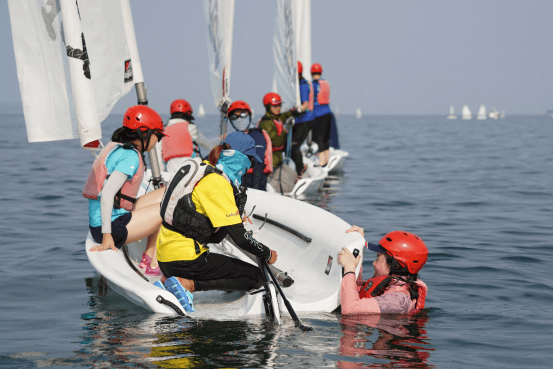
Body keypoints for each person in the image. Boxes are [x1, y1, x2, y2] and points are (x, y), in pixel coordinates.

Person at [154, 132, 279, 312]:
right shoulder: (218, 183)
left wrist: (233, 214)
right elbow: (241, 239)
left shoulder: (205, 171)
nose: (249, 168)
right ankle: (188, 284)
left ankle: (172, 278)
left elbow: (215, 237)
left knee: (228, 271)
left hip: (166, 258)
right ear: (242, 159)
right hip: (187, 259)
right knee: (256, 277)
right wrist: (266, 253)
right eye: (250, 162)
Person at [83, 105, 166, 275]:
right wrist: (107, 237)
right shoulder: (130, 156)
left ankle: (148, 258)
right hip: (110, 228)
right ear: (144, 133)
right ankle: (153, 264)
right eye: (157, 135)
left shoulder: (119, 148)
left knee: (168, 194)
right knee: (168, 209)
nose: (158, 140)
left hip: (112, 219)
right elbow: (107, 194)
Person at [338, 226, 428, 315]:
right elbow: (355, 290)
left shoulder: (398, 300)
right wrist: (358, 244)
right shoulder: (389, 285)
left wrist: (349, 268)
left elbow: (350, 309)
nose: (373, 263)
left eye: (378, 257)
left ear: (395, 266)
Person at [157, 99, 222, 173]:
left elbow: (158, 158)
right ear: (188, 113)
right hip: (192, 169)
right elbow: (209, 145)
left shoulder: (163, 131)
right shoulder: (190, 127)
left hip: (171, 172)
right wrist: (220, 138)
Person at [258, 92, 300, 193]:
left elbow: (289, 114)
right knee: (290, 187)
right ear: (268, 107)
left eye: (279, 105)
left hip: (279, 162)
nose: (278, 108)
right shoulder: (266, 123)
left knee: (296, 177)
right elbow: (277, 142)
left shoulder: (278, 118)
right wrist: (286, 128)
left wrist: (297, 109)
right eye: (275, 106)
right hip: (271, 166)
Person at [227, 100, 271, 191]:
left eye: (243, 115)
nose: (239, 119)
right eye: (235, 117)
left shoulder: (257, 135)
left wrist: (256, 191)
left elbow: (258, 163)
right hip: (237, 184)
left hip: (252, 184)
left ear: (249, 116)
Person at [291, 61, 315, 177]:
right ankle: (296, 166)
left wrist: (299, 109)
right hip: (298, 120)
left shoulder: (303, 86)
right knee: (290, 145)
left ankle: (300, 169)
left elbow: (305, 104)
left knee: (294, 146)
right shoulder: (294, 85)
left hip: (305, 120)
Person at [311, 63, 333, 167]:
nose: (315, 75)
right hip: (327, 112)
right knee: (325, 138)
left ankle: (322, 161)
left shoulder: (313, 84)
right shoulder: (326, 83)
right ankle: (326, 159)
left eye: (316, 73)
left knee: (320, 138)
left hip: (318, 114)